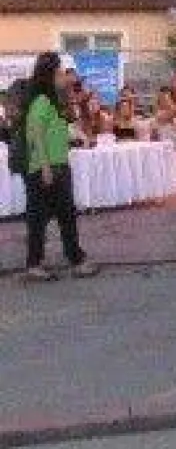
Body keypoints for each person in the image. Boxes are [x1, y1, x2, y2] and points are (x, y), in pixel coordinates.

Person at [21, 52, 98, 281]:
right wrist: (45, 167)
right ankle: (43, 264)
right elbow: (35, 134)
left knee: (64, 215)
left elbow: (59, 128)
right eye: (61, 71)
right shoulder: (41, 101)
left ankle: (71, 259)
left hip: (58, 165)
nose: (65, 75)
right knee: (41, 218)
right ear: (51, 74)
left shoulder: (53, 100)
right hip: (47, 168)